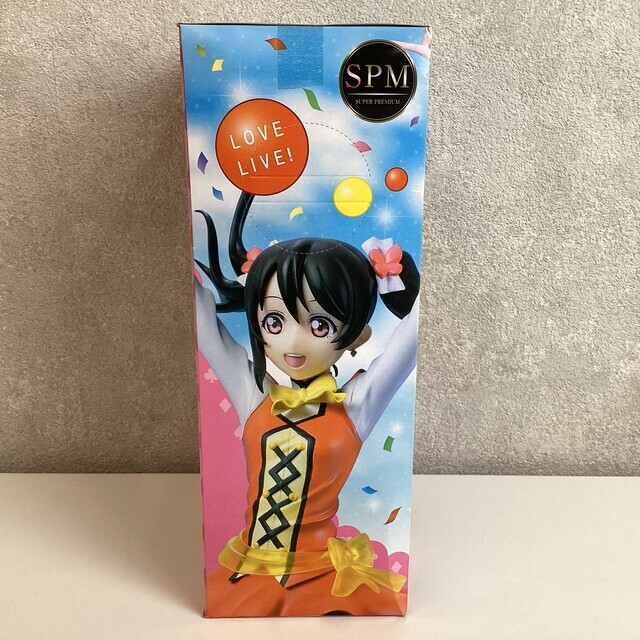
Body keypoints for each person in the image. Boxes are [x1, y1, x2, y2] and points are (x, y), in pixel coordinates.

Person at [195, 191, 420, 616]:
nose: (292, 342)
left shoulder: (356, 405)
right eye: (274, 321)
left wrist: (404, 287)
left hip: (322, 576)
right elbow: (203, 324)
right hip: (248, 570)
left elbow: (412, 338)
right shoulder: (253, 395)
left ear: (356, 334)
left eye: (319, 324)